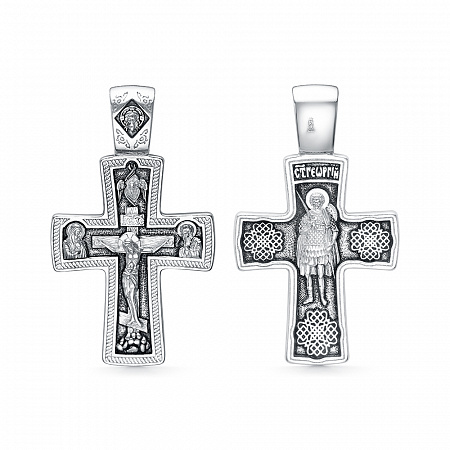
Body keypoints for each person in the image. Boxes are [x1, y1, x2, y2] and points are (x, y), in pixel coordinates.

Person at [297, 191, 339, 306]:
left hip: (322, 248)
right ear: (311, 202)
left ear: (322, 202)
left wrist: (331, 242)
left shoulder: (326, 215)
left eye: (318, 200)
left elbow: (335, 230)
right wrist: (309, 225)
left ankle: (322, 297)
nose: (316, 202)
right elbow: (301, 231)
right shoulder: (307, 215)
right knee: (308, 274)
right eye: (314, 200)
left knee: (321, 274)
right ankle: (310, 297)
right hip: (309, 248)